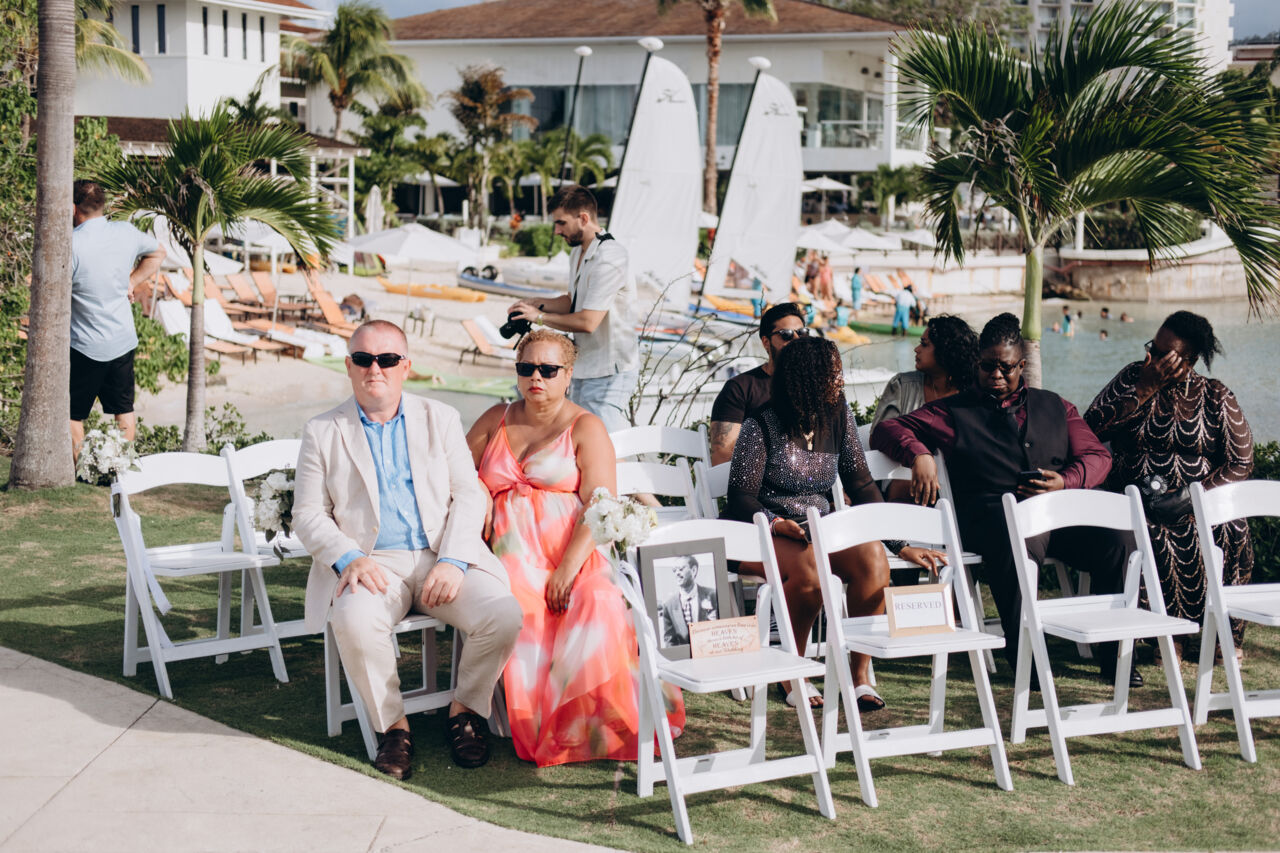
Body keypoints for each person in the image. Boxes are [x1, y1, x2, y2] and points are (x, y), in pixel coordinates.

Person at [293, 320, 524, 778]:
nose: (374, 369)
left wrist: (454, 560)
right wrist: (350, 558)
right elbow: (308, 514)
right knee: (354, 620)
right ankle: (393, 728)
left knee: (503, 614)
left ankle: (465, 712)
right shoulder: (322, 430)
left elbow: (469, 493)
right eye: (363, 359)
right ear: (349, 366)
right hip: (372, 564)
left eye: (387, 359)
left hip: (442, 555)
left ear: (406, 366)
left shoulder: (441, 418)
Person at [871, 313, 1138, 684]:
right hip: (990, 522)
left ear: (1022, 366)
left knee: (1118, 539)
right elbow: (886, 429)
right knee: (1016, 538)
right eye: (987, 366)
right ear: (977, 363)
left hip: (1057, 518)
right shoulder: (951, 412)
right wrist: (920, 454)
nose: (995, 374)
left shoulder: (1057, 406)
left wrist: (1066, 481)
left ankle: (1117, 656)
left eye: (1006, 367)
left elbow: (1098, 456)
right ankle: (1026, 657)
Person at [467, 329, 684, 766]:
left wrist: (567, 569)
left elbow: (600, 504)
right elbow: (455, 472)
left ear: (568, 375)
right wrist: (480, 492)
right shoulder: (495, 418)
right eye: (527, 368)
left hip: (573, 550)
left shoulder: (586, 426)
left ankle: (590, 718)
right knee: (521, 606)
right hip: (510, 551)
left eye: (548, 370)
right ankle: (537, 718)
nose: (536, 377)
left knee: (598, 599)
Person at [725, 336, 945, 710]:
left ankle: (858, 673)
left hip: (818, 530)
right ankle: (792, 671)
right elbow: (740, 497)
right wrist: (777, 523)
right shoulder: (761, 423)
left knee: (873, 559)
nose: (840, 380)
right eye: (833, 373)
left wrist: (899, 544)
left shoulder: (837, 415)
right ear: (806, 379)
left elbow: (861, 484)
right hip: (759, 531)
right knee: (811, 570)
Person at [1085, 311, 1253, 660]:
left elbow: (1241, 461)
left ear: (1189, 361)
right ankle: (1164, 635)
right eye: (1152, 347)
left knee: (1232, 528)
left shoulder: (1215, 395)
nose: (1152, 358)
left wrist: (1194, 496)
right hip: (1135, 498)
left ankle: (1221, 634)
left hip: (1195, 502)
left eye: (1163, 355)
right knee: (1150, 532)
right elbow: (1088, 430)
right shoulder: (1132, 377)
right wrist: (1144, 390)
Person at [508, 185, 637, 432]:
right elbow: (572, 302)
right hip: (583, 367)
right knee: (576, 440)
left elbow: (588, 322)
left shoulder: (610, 257)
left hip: (609, 372)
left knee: (600, 442)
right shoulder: (578, 252)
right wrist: (533, 303)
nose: (557, 231)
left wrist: (540, 317)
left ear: (584, 219)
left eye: (561, 223)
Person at [69, 180, 166, 459]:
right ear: (103, 205)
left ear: (73, 208)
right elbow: (159, 252)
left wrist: (131, 281)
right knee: (124, 410)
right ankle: (120, 469)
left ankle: (78, 471)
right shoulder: (125, 231)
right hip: (122, 341)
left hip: (85, 346)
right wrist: (131, 281)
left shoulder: (71, 243)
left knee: (72, 414)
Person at [871, 315, 978, 504]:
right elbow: (877, 438)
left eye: (924, 344)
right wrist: (917, 455)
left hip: (956, 483)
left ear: (945, 351)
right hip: (901, 475)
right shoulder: (902, 385)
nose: (916, 349)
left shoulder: (970, 393)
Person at [708, 302, 810, 466]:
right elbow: (722, 456)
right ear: (766, 342)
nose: (797, 340)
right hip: (757, 480)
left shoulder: (815, 385)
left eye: (802, 333)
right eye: (786, 335)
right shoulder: (740, 388)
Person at [658, 556, 717, 646]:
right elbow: (669, 642)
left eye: (681, 569)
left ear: (693, 570)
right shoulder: (668, 605)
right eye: (674, 570)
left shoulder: (712, 595)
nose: (677, 573)